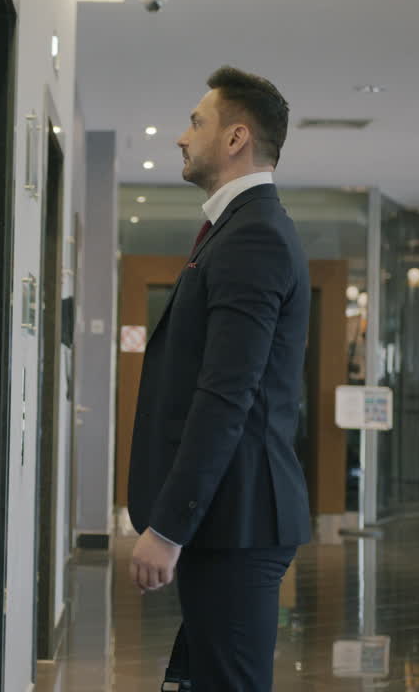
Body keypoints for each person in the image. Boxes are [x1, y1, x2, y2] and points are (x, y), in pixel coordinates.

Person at [127, 65, 312, 692]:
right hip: (230, 518)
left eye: (196, 121)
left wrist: (170, 526)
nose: (182, 136)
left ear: (236, 139)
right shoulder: (235, 229)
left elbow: (227, 395)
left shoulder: (254, 235)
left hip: (237, 520)